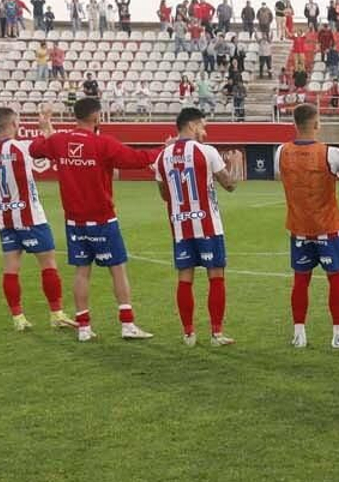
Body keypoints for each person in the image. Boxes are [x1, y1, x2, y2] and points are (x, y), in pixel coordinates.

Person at [30, 99, 161, 342]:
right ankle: (127, 324)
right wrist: (166, 149)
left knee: (82, 271)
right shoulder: (103, 143)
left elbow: (35, 149)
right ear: (97, 117)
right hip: (102, 219)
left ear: (75, 116)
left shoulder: (60, 141)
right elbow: (136, 159)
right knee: (118, 269)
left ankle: (83, 328)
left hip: (74, 222)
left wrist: (44, 128)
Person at [277, 104, 339, 349]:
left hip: (299, 227)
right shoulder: (331, 153)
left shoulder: (281, 151)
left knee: (300, 280)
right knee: (336, 280)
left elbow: (281, 176)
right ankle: (338, 334)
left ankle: (299, 333)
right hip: (328, 226)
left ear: (295, 124)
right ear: (316, 124)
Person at [154, 108, 242, 347]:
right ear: (192, 126)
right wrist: (234, 165)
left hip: (180, 226)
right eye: (202, 126)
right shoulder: (207, 152)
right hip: (208, 226)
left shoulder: (162, 156)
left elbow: (164, 195)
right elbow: (230, 185)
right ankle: (216, 334)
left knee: (185, 278)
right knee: (216, 276)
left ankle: (189, 334)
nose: (204, 131)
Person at [0, 107, 70, 331]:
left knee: (11, 268)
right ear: (13, 123)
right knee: (48, 264)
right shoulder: (21, 147)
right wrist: (45, 125)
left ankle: (18, 319)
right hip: (31, 216)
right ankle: (56, 314)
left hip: (5, 217)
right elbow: (52, 144)